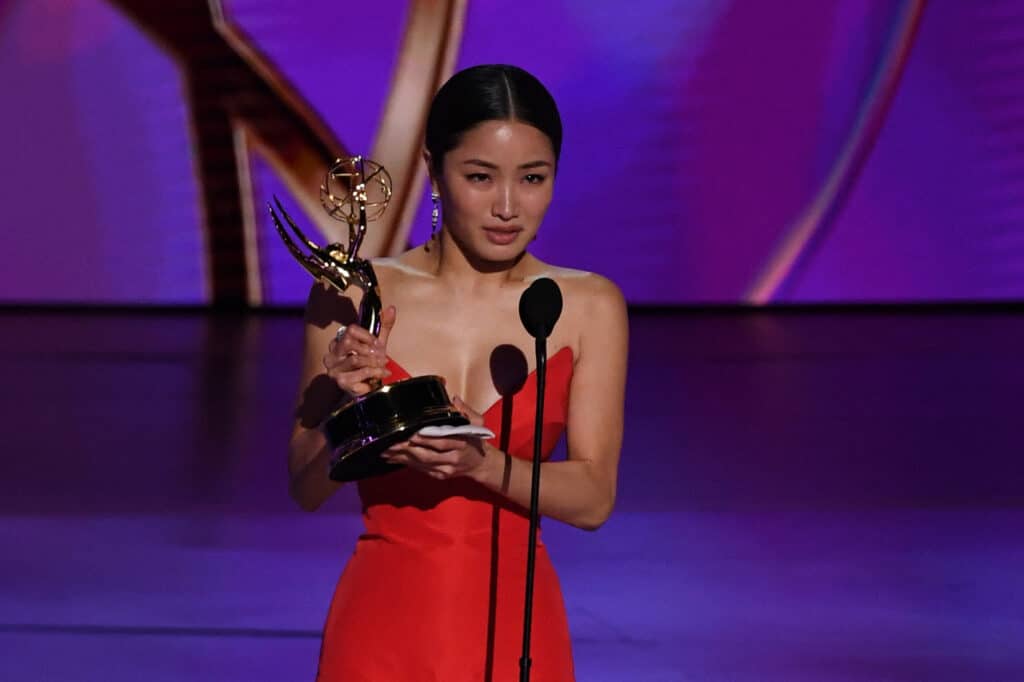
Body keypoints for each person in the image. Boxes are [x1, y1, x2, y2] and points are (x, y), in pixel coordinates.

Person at [287, 64, 628, 682]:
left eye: (532, 178)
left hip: (519, 631)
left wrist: (483, 465)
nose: (507, 207)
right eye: (479, 177)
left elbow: (594, 499)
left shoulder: (586, 306)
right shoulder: (355, 296)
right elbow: (307, 488)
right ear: (434, 170)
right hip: (381, 629)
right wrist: (348, 411)